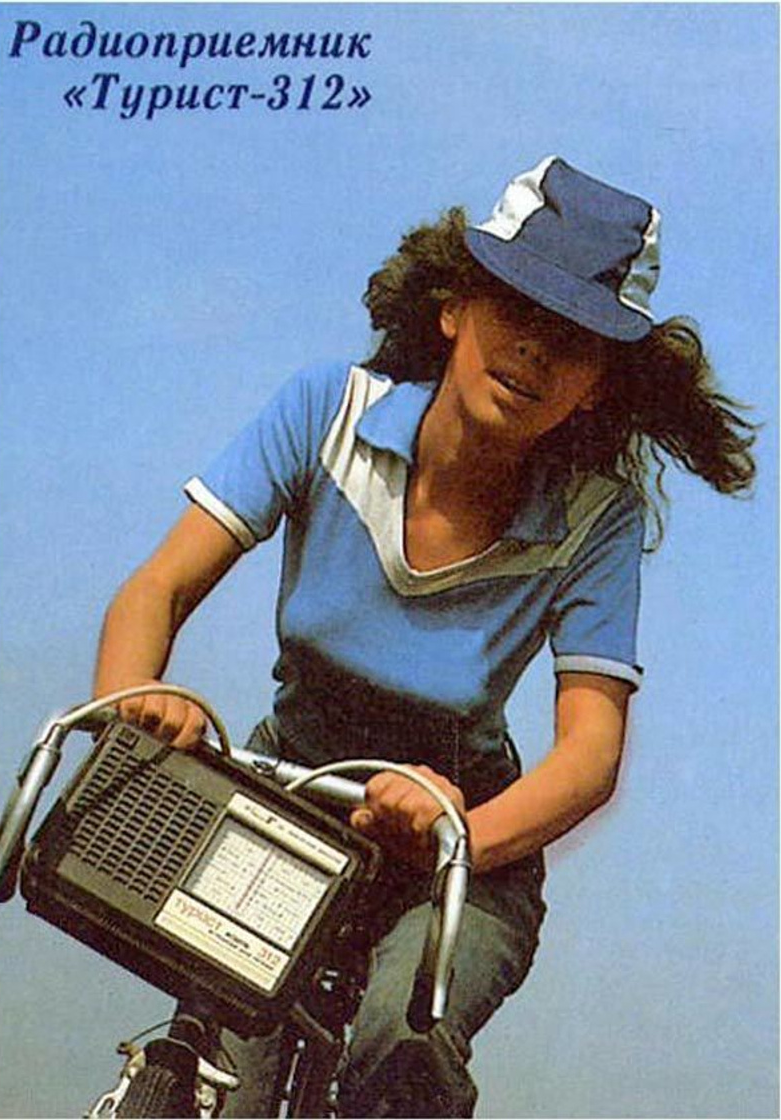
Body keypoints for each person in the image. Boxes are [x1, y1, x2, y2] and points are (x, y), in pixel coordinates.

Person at [94, 156, 756, 1117]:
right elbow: (158, 586)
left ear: (598, 385)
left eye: (574, 339)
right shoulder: (326, 414)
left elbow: (591, 754)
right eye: (517, 306)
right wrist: (136, 706)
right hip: (291, 798)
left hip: (467, 846)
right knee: (222, 1065)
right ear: (454, 307)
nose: (534, 349)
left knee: (402, 1045)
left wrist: (457, 837)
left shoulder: (594, 519)